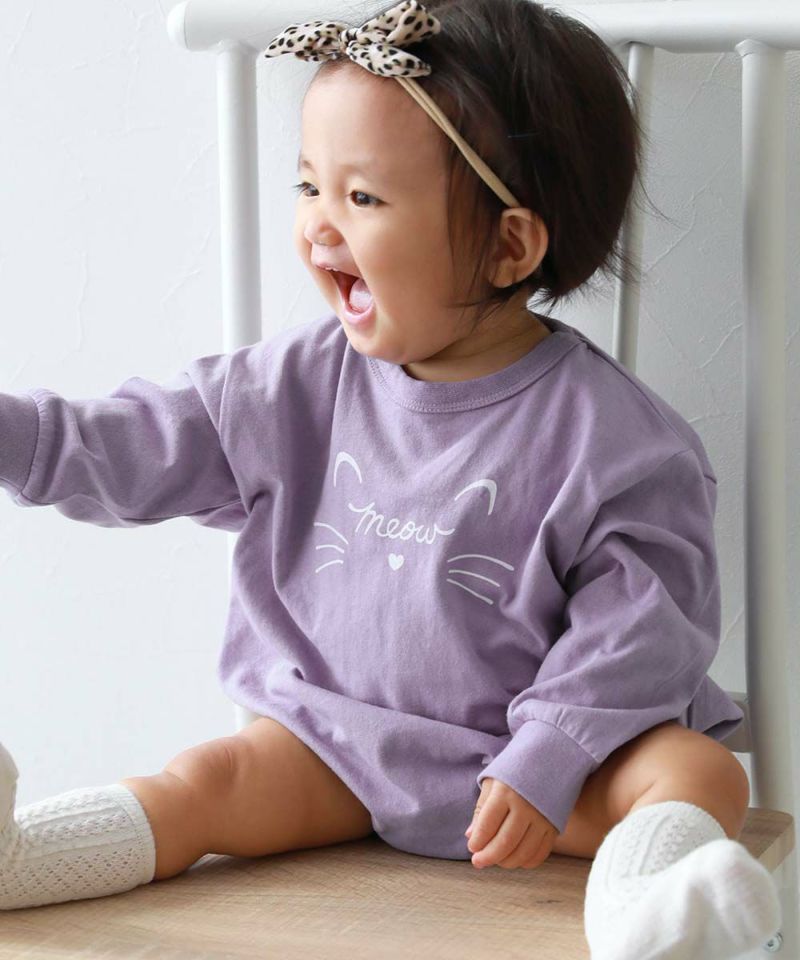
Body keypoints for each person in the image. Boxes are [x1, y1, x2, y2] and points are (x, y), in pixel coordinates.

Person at [0, 1, 781, 956]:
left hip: (538, 779)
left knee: (698, 773)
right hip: (335, 750)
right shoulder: (291, 385)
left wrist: (550, 754)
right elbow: (135, 445)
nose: (319, 226)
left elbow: (643, 631)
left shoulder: (617, 441)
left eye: (362, 198)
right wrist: (15, 435)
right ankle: (24, 858)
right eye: (308, 185)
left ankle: (651, 917)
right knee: (205, 781)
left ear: (509, 246)